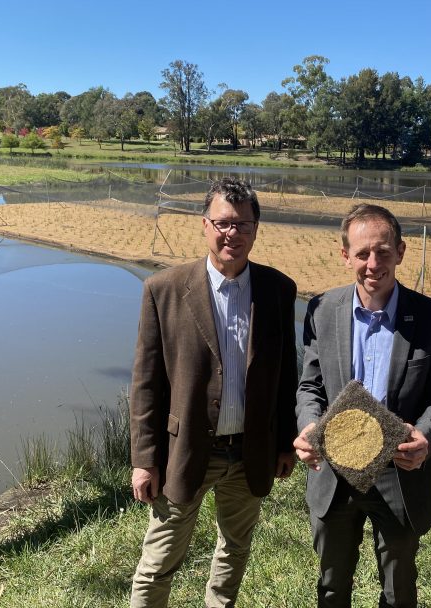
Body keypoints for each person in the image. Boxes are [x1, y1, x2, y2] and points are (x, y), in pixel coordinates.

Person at [129, 177, 298, 608]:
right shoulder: (163, 290)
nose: (232, 234)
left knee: (234, 551)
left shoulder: (278, 290)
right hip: (184, 451)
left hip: (250, 452)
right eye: (223, 223)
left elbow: (286, 373)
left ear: (256, 229)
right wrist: (145, 461)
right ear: (204, 225)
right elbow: (146, 385)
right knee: (158, 563)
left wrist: (284, 444)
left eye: (242, 224)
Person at [294, 203, 431, 607]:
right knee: (331, 582)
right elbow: (310, 386)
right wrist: (309, 425)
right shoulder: (322, 309)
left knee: (399, 585)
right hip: (334, 468)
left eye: (383, 251)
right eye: (362, 253)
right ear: (344, 254)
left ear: (400, 251)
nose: (373, 263)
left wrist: (426, 438)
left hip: (398, 470)